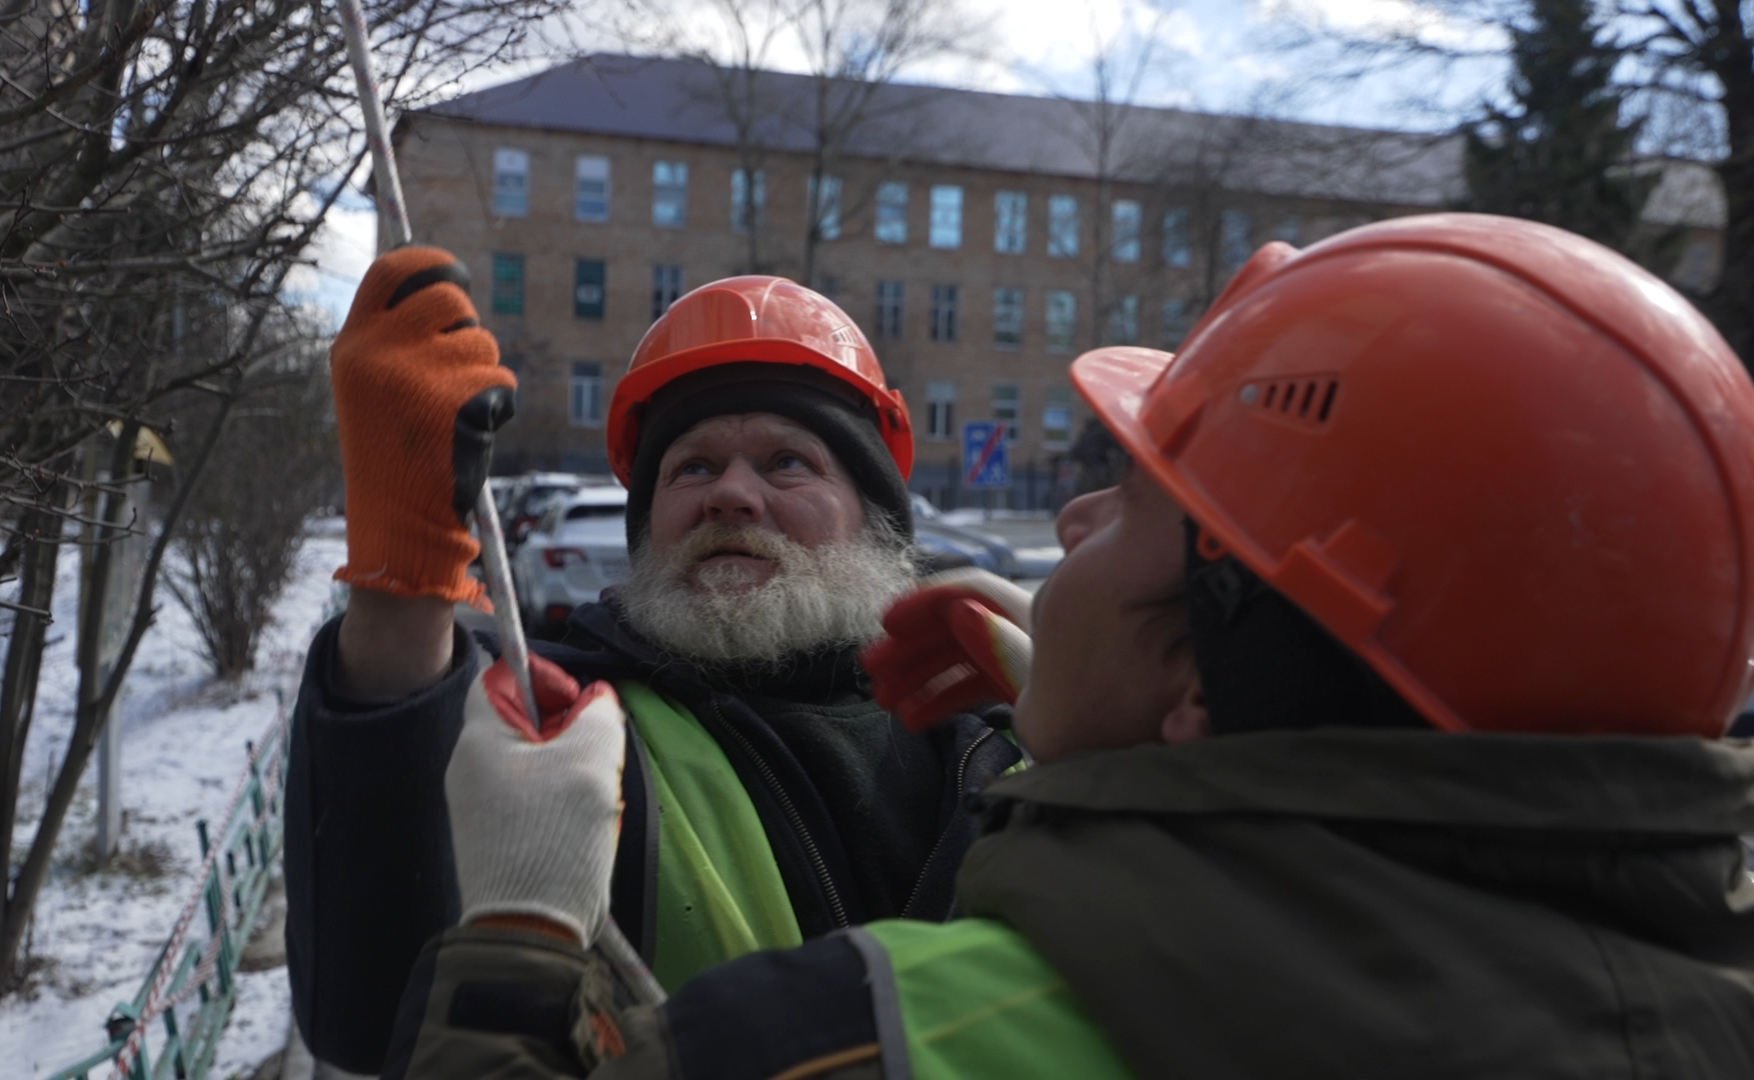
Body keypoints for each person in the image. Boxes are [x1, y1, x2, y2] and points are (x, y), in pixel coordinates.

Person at [382, 214, 1754, 1079]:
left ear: (1206, 686)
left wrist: (514, 937)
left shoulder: (862, 1035)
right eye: (691, 470)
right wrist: (1102, 758)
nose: (1076, 512)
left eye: (1147, 510)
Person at [284, 252, 1023, 1073]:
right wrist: (401, 594)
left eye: (787, 461)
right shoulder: (566, 727)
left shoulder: (1006, 728)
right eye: (693, 467)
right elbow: (371, 1015)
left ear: (874, 516)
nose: (731, 495)